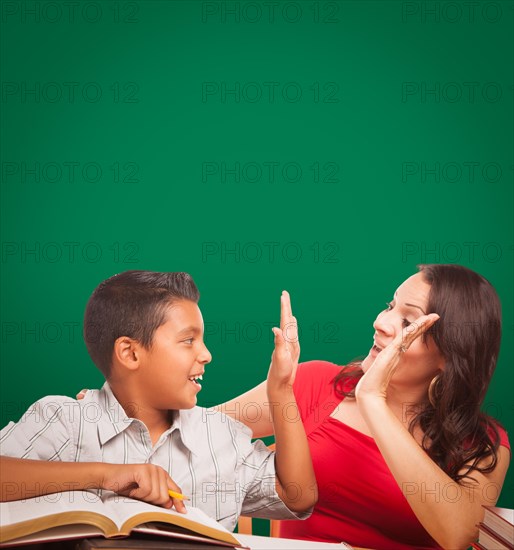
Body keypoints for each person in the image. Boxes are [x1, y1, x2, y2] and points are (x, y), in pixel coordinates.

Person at [217, 264, 511, 549]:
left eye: (408, 322)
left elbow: (459, 535)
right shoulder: (316, 383)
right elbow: (192, 428)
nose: (380, 322)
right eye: (389, 306)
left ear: (450, 354)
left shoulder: (483, 443)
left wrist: (373, 399)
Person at [0, 270, 317, 531]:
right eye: (188, 340)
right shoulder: (66, 421)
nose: (206, 355)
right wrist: (104, 476)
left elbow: (298, 496)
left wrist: (281, 390)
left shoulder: (222, 437)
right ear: (131, 353)